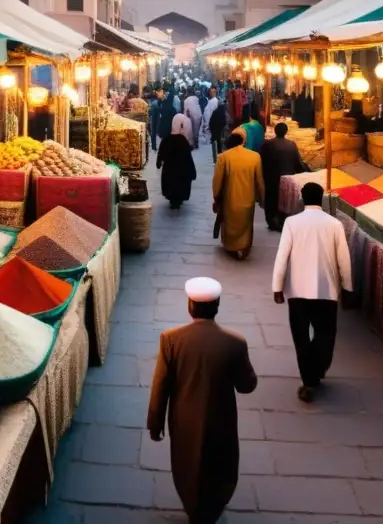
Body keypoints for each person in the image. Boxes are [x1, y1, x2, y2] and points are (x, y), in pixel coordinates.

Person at [147, 277, 257, 524]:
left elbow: (160, 386)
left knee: (187, 463)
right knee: (221, 463)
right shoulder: (235, 342)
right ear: (217, 306)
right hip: (222, 418)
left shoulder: (171, 339)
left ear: (190, 306)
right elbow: (247, 386)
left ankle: (193, 508)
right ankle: (212, 508)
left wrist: (155, 423)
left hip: (183, 419)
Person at [271, 183, 352, 402]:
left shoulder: (291, 222)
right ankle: (317, 369)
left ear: (301, 198)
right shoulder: (334, 224)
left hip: (297, 292)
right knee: (325, 334)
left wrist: (277, 287)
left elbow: (282, 257)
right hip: (327, 291)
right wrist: (348, 288)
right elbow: (344, 260)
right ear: (322, 197)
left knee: (300, 337)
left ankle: (308, 380)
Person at [213, 133, 264, 260]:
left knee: (230, 224)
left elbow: (217, 181)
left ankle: (231, 247)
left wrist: (216, 197)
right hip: (248, 199)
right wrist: (261, 197)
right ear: (243, 142)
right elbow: (259, 181)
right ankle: (245, 246)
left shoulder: (223, 157)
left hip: (230, 199)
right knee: (246, 225)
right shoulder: (255, 157)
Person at [259, 122, 307, 232]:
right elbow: (298, 163)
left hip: (271, 178)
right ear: (286, 132)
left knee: (271, 201)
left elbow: (260, 160)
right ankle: (281, 221)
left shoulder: (267, 144)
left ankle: (272, 222)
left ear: (275, 131)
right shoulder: (291, 145)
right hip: (287, 178)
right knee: (284, 201)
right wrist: (304, 172)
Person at [157, 115, 197, 209]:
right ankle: (178, 199)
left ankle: (172, 199)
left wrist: (159, 162)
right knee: (180, 186)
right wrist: (192, 172)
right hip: (181, 171)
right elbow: (188, 157)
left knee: (170, 185)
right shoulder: (183, 141)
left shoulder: (167, 140)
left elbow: (161, 152)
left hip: (169, 170)